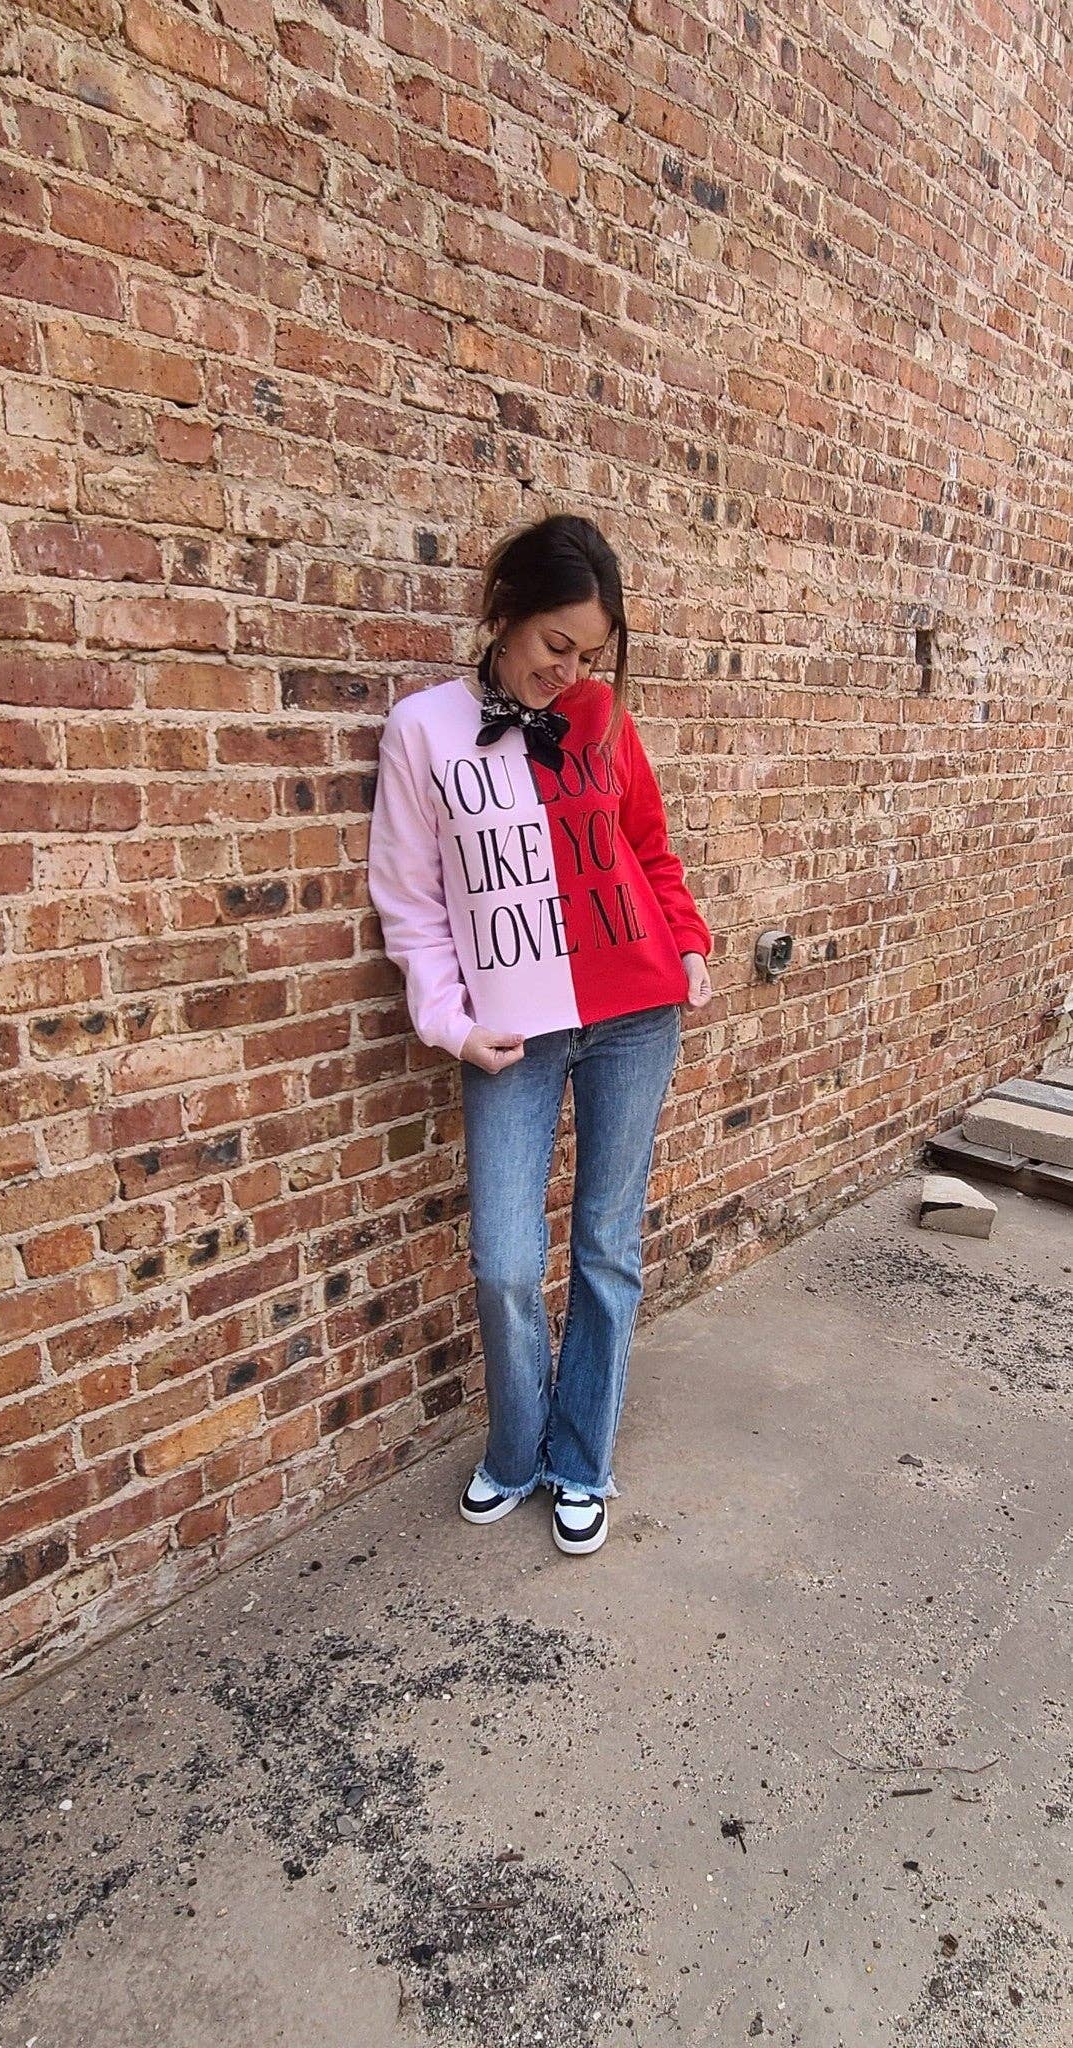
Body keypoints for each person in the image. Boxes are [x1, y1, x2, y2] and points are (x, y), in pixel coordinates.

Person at [366, 512, 714, 1557]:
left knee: (606, 1247)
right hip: (509, 1033)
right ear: (504, 612)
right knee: (507, 1261)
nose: (569, 674)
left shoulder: (602, 720)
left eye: (589, 657)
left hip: (633, 1015)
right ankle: (516, 1448)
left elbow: (649, 849)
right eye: (555, 645)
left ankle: (579, 1460)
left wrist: (687, 944)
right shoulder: (424, 729)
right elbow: (409, 899)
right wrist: (448, 1020)